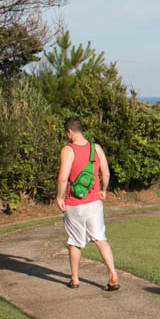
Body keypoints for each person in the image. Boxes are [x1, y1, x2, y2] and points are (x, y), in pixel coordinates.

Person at [56, 117, 120, 291]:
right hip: (94, 203)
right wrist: (103, 190)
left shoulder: (68, 150)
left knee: (75, 241)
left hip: (74, 203)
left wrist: (59, 197)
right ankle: (112, 274)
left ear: (69, 131)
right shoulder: (96, 148)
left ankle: (75, 279)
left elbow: (63, 177)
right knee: (100, 238)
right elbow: (105, 173)